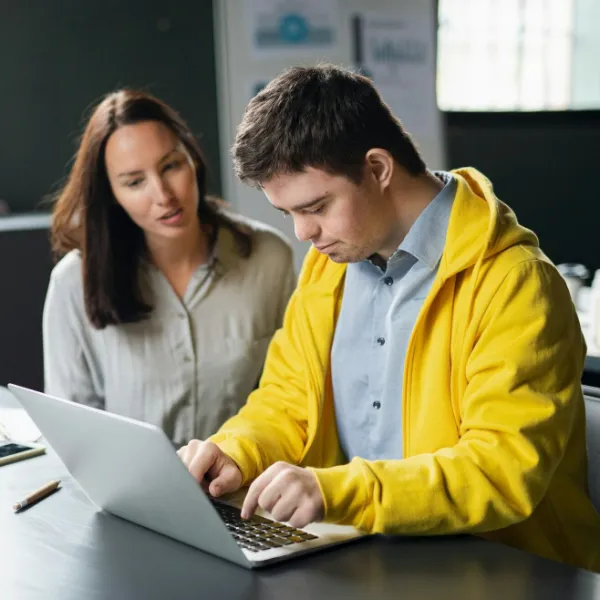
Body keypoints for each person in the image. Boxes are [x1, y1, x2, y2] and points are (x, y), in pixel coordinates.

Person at [177, 65, 600, 572]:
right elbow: (287, 401)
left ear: (378, 169)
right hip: (365, 556)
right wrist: (237, 450)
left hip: (506, 571)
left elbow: (501, 470)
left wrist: (337, 491)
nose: (302, 233)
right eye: (287, 213)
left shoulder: (516, 283)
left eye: (315, 206)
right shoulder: (329, 265)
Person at [44, 90, 295, 444]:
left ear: (193, 158)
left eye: (170, 166)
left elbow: (289, 397)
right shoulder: (74, 282)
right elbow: (69, 431)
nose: (163, 195)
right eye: (134, 182)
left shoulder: (268, 256)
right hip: (128, 493)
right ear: (111, 194)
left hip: (244, 489)